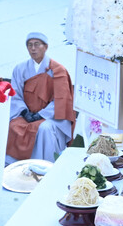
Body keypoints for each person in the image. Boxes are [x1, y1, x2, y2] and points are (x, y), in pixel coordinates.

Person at [5, 32, 74, 163]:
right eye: (29, 45)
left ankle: (45, 166)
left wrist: (41, 115)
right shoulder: (20, 69)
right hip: (26, 114)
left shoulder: (58, 70)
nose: (33, 48)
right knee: (13, 126)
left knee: (44, 129)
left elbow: (61, 100)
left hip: (50, 117)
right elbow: (15, 94)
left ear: (46, 47)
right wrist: (24, 112)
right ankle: (17, 167)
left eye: (37, 44)